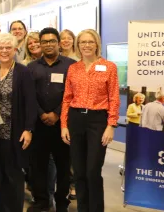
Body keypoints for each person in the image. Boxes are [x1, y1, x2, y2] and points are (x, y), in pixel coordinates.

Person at [60, 29, 119, 212]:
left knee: (92, 170)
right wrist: (64, 125)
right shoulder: (73, 68)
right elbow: (67, 98)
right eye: (83, 42)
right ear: (78, 45)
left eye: (90, 42)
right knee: (78, 171)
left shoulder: (109, 67)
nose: (86, 45)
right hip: (76, 119)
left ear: (97, 44)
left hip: (98, 121)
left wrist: (111, 125)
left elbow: (114, 98)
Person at [0, 32, 36, 212]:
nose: (4, 51)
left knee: (13, 177)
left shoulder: (23, 72)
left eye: (8, 47)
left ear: (15, 49)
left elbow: (31, 102)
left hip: (14, 133)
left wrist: (29, 129)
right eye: (0, 48)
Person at [27, 27, 75, 212]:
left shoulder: (71, 66)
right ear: (40, 43)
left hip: (62, 125)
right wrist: (41, 113)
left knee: (63, 166)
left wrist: (56, 113)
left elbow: (72, 95)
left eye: (52, 41)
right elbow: (29, 95)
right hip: (39, 125)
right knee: (38, 166)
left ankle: (62, 203)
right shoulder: (31, 67)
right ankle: (41, 201)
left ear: (58, 43)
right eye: (44, 41)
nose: (48, 45)